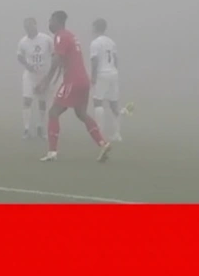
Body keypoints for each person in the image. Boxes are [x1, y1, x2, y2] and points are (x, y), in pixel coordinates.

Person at [36, 10, 111, 163]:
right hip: (83, 80)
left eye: (51, 20)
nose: (49, 23)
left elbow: (57, 60)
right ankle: (103, 143)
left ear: (57, 21)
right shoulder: (70, 35)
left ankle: (52, 152)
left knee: (53, 112)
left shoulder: (60, 36)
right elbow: (64, 61)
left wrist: (46, 81)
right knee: (81, 113)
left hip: (73, 81)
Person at [89, 19, 132, 142]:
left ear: (95, 28)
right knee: (114, 103)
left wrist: (93, 76)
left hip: (102, 73)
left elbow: (95, 60)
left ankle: (99, 133)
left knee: (98, 102)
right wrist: (115, 72)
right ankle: (117, 134)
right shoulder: (111, 42)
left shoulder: (95, 43)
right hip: (113, 73)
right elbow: (115, 59)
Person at [16, 17, 53, 139]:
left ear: (35, 25)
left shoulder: (46, 39)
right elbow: (19, 56)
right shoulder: (23, 41)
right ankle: (26, 129)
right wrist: (27, 65)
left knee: (42, 101)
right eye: (26, 27)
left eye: (30, 26)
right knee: (27, 99)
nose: (28, 29)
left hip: (43, 74)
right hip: (29, 75)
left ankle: (40, 126)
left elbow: (54, 54)